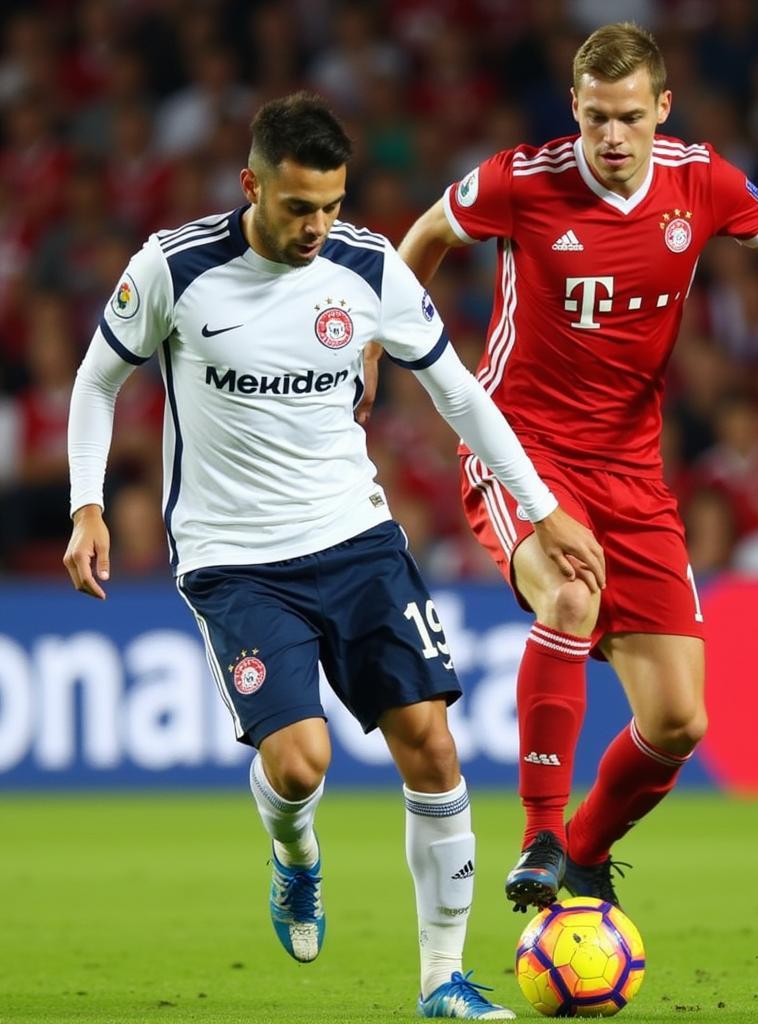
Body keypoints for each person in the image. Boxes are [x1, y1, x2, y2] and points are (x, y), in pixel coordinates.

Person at [63, 91, 605, 1020]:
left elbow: (462, 395)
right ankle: (295, 855)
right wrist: (87, 506)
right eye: (297, 207)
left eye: (333, 205)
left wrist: (543, 509)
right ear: (252, 185)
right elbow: (96, 379)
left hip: (356, 540)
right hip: (233, 557)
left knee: (432, 745)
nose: (318, 226)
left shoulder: (368, 267)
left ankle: (443, 982)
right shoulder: (175, 267)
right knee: (302, 762)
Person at [394, 22, 758, 913]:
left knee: (680, 722)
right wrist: (391, 347)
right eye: (597, 117)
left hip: (632, 471)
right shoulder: (520, 181)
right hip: (519, 447)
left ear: (663, 111)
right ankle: (536, 833)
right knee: (572, 591)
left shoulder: (702, 181)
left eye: (631, 119)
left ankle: (582, 847)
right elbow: (420, 240)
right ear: (574, 107)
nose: (612, 138)